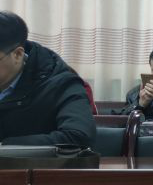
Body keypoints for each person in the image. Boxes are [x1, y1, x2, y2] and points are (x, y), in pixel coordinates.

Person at [0, 11, 95, 147]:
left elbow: (78, 136)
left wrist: (5, 146)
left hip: (35, 161)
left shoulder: (61, 85)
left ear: (18, 55)